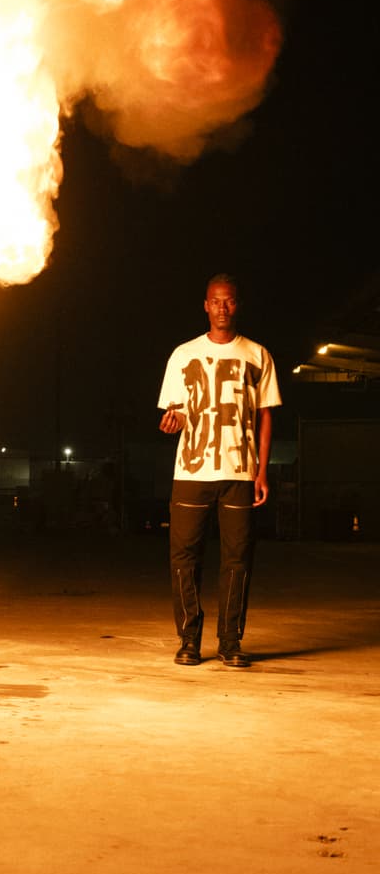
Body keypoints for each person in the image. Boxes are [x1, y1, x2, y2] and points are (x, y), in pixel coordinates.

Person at [157, 273, 281, 668]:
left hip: (239, 473)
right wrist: (173, 419)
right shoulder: (182, 354)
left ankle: (230, 642)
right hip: (192, 472)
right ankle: (189, 640)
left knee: (238, 559)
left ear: (236, 305)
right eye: (216, 301)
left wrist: (261, 471)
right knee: (184, 558)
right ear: (206, 305)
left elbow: (265, 416)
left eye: (229, 301)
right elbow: (174, 410)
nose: (222, 308)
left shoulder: (257, 354)